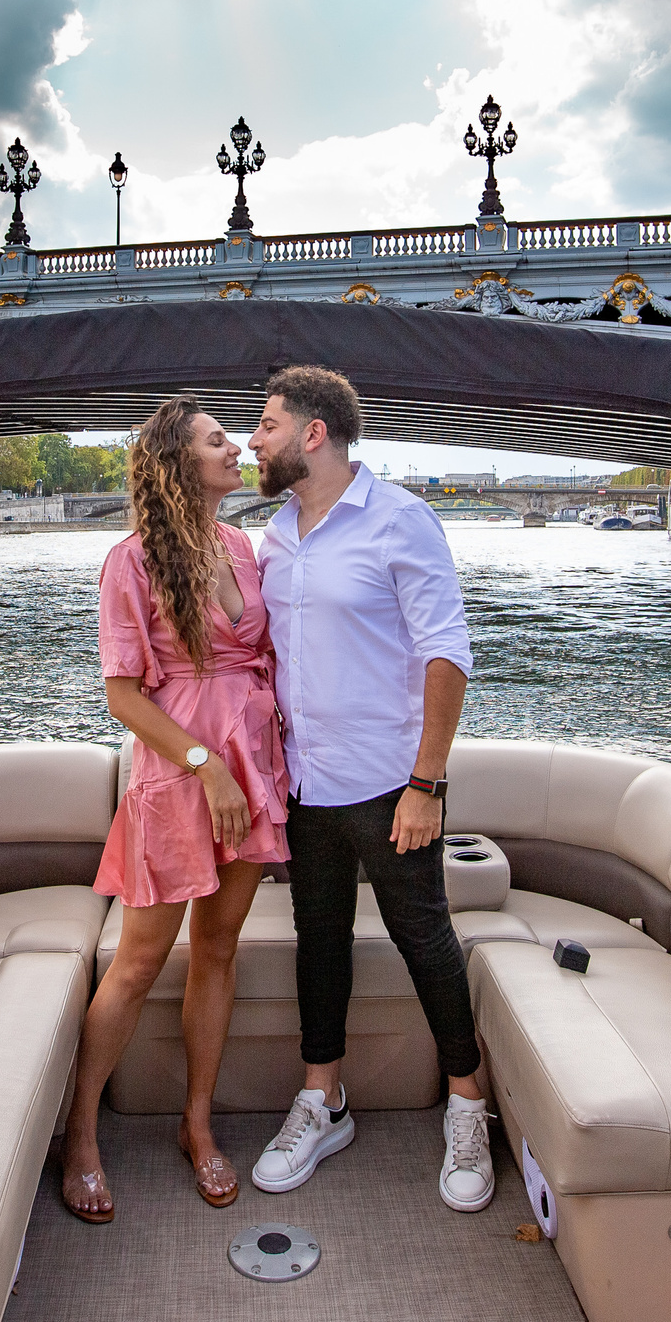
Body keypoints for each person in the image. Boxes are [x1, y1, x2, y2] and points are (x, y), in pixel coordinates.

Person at [244, 365, 493, 1213]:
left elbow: (446, 654)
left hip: (393, 785)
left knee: (426, 941)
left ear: (314, 433)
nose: (255, 439)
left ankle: (468, 1106)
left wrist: (427, 781)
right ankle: (325, 1098)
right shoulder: (272, 535)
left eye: (268, 425)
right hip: (305, 785)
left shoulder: (400, 519)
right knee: (319, 942)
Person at [60, 397, 290, 1222]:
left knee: (218, 950)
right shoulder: (130, 560)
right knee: (137, 961)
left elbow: (263, 658)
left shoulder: (244, 547)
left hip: (251, 770)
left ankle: (199, 1122)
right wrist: (206, 769)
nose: (238, 449)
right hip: (182, 776)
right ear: (176, 463)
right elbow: (123, 694)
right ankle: (81, 1132)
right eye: (219, 441)